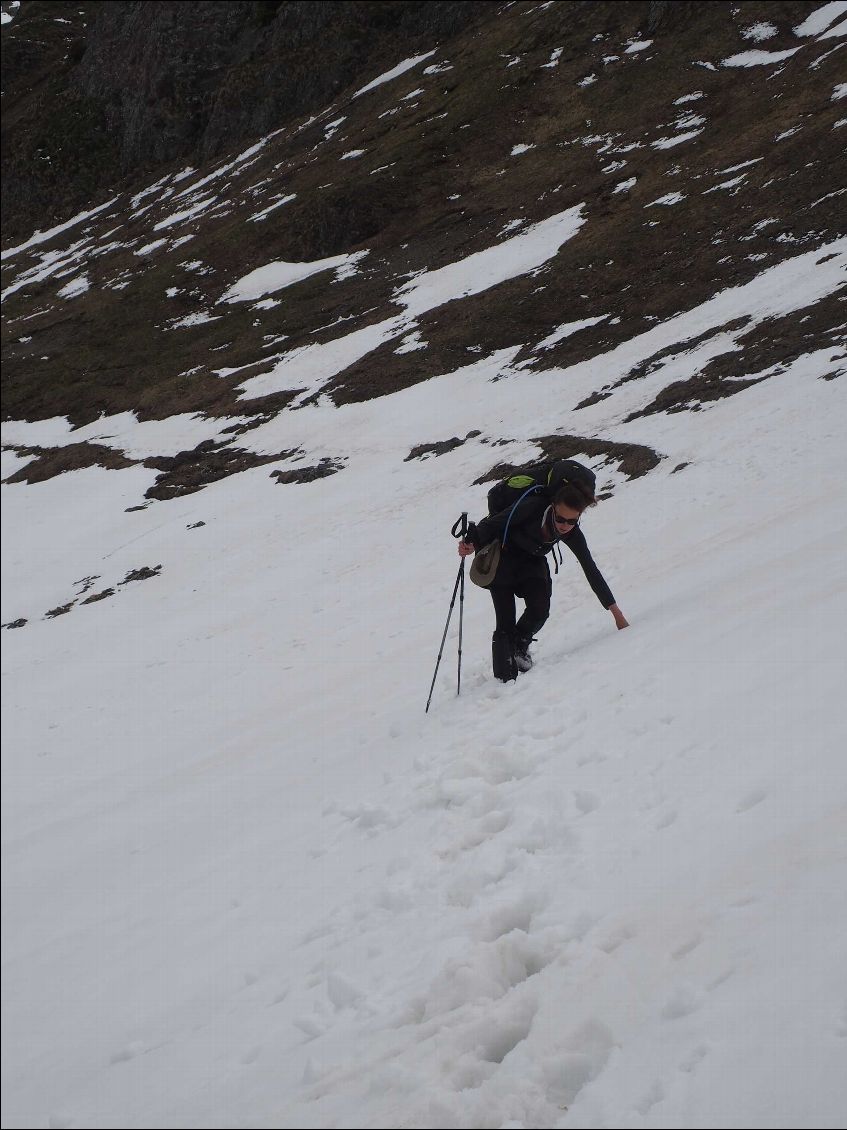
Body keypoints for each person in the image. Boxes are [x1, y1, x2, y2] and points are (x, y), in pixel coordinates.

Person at [458, 460, 628, 681]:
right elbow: (493, 523)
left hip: (532, 561)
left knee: (540, 609)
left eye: (571, 521)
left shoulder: (572, 533)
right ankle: (504, 684)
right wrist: (470, 542)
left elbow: (591, 570)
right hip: (504, 557)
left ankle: (519, 647)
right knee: (505, 622)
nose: (564, 525)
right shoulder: (533, 506)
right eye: (560, 519)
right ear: (553, 506)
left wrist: (618, 616)